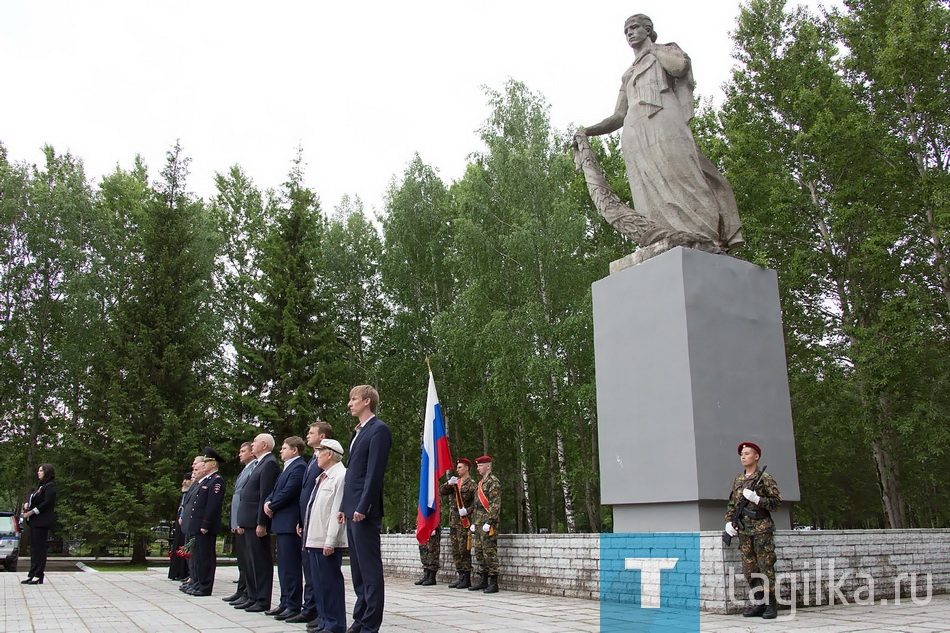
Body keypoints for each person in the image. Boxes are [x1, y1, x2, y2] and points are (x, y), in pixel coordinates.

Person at [581, 14, 743, 252]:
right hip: (635, 132)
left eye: (634, 28)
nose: (630, 33)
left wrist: (652, 49)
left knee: (684, 173)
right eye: (626, 31)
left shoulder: (665, 51)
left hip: (665, 119)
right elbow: (618, 116)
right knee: (647, 187)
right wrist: (587, 131)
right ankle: (663, 237)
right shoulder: (628, 74)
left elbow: (680, 67)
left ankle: (705, 236)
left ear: (648, 30)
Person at [339, 385, 392, 633]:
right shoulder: (357, 432)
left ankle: (371, 624)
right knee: (358, 569)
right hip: (352, 508)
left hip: (365, 510)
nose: (349, 404)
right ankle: (360, 619)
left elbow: (374, 473)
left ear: (367, 402)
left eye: (353, 399)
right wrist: (344, 506)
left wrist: (363, 505)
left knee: (369, 569)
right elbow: (352, 474)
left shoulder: (378, 430)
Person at [724, 441, 782, 619]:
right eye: (742, 453)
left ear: (756, 457)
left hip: (761, 530)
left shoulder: (765, 479)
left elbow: (776, 504)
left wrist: (758, 500)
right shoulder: (738, 480)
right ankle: (759, 603)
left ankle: (771, 605)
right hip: (744, 532)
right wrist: (729, 522)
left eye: (747, 453)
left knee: (766, 567)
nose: (743, 456)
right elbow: (733, 504)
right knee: (750, 569)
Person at [292, 421, 334, 626]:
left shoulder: (327, 458)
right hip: (307, 519)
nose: (307, 436)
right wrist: (301, 520)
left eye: (311, 433)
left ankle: (318, 610)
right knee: (308, 568)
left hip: (319, 521)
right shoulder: (312, 459)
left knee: (317, 570)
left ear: (322, 437)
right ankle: (310, 608)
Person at [305, 438, 348, 633]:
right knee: (319, 584)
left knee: (330, 584)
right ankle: (324, 621)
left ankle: (334, 624)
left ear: (329, 453)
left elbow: (336, 511)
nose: (316, 456)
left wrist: (331, 540)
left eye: (319, 451)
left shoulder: (340, 475)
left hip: (326, 540)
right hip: (315, 538)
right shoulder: (323, 477)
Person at [234, 433, 279, 613]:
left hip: (256, 521)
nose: (252, 445)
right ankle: (252, 596)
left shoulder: (269, 464)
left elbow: (264, 495)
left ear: (264, 444)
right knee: (250, 561)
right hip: (248, 520)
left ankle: (261, 599)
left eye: (254, 442)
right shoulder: (259, 463)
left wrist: (262, 522)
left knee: (260, 562)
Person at [263, 436, 307, 620]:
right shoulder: (286, 468)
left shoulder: (299, 467)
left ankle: (293, 604)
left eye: (284, 448)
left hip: (289, 524)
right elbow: (275, 490)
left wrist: (272, 506)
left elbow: (289, 491)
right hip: (281, 523)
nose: (281, 451)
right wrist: (268, 501)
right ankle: (284, 602)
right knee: (283, 567)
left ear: (294, 450)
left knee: (291, 568)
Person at [184, 447, 226, 596]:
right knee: (198, 557)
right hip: (198, 525)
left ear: (213, 464)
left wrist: (205, 524)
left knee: (206, 558)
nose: (204, 465)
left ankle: (205, 586)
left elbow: (212, 505)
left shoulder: (216, 481)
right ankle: (197, 583)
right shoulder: (207, 480)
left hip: (205, 526)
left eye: (206, 462)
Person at [223, 442, 256, 603]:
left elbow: (246, 496)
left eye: (243, 451)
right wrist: (234, 522)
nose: (240, 454)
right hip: (238, 518)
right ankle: (241, 589)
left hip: (245, 519)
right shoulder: (245, 469)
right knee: (242, 559)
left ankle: (247, 591)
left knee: (248, 559)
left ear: (252, 452)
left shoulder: (254, 467)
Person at [440, 457, 476, 589]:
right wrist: (449, 484)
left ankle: (466, 578)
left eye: (460, 467)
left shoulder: (472, 485)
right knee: (455, 550)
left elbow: (476, 503)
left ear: (466, 468)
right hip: (454, 521)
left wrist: (468, 511)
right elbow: (442, 491)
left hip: (464, 521)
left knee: (463, 549)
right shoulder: (456, 483)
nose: (458, 470)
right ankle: (460, 575)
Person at [20, 463, 57, 585]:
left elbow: (47, 503)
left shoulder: (50, 486)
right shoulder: (40, 486)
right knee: (34, 549)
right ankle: (32, 573)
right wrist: (28, 505)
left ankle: (38, 575)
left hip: (41, 521)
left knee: (40, 549)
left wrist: (32, 512)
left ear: (47, 472)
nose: (38, 473)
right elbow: (35, 499)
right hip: (34, 522)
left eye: (41, 471)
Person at [469, 455, 501, 594]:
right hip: (479, 523)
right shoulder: (480, 483)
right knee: (479, 552)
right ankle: (483, 580)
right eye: (477, 466)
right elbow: (477, 506)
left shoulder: (493, 482)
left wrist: (490, 521)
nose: (478, 468)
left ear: (488, 466)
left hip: (489, 524)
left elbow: (495, 505)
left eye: (480, 465)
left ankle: (493, 582)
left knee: (489, 552)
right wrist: (473, 522)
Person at [178, 456, 205, 592]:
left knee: (199, 556)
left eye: (196, 468)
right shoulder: (195, 484)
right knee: (192, 554)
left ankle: (199, 582)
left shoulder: (210, 482)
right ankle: (193, 579)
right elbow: (186, 503)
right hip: (190, 522)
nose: (193, 471)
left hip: (198, 523)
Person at [169, 471, 193, 581]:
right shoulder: (184, 493)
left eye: (187, 479)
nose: (184, 482)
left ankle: (184, 572)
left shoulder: (191, 492)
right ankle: (176, 571)